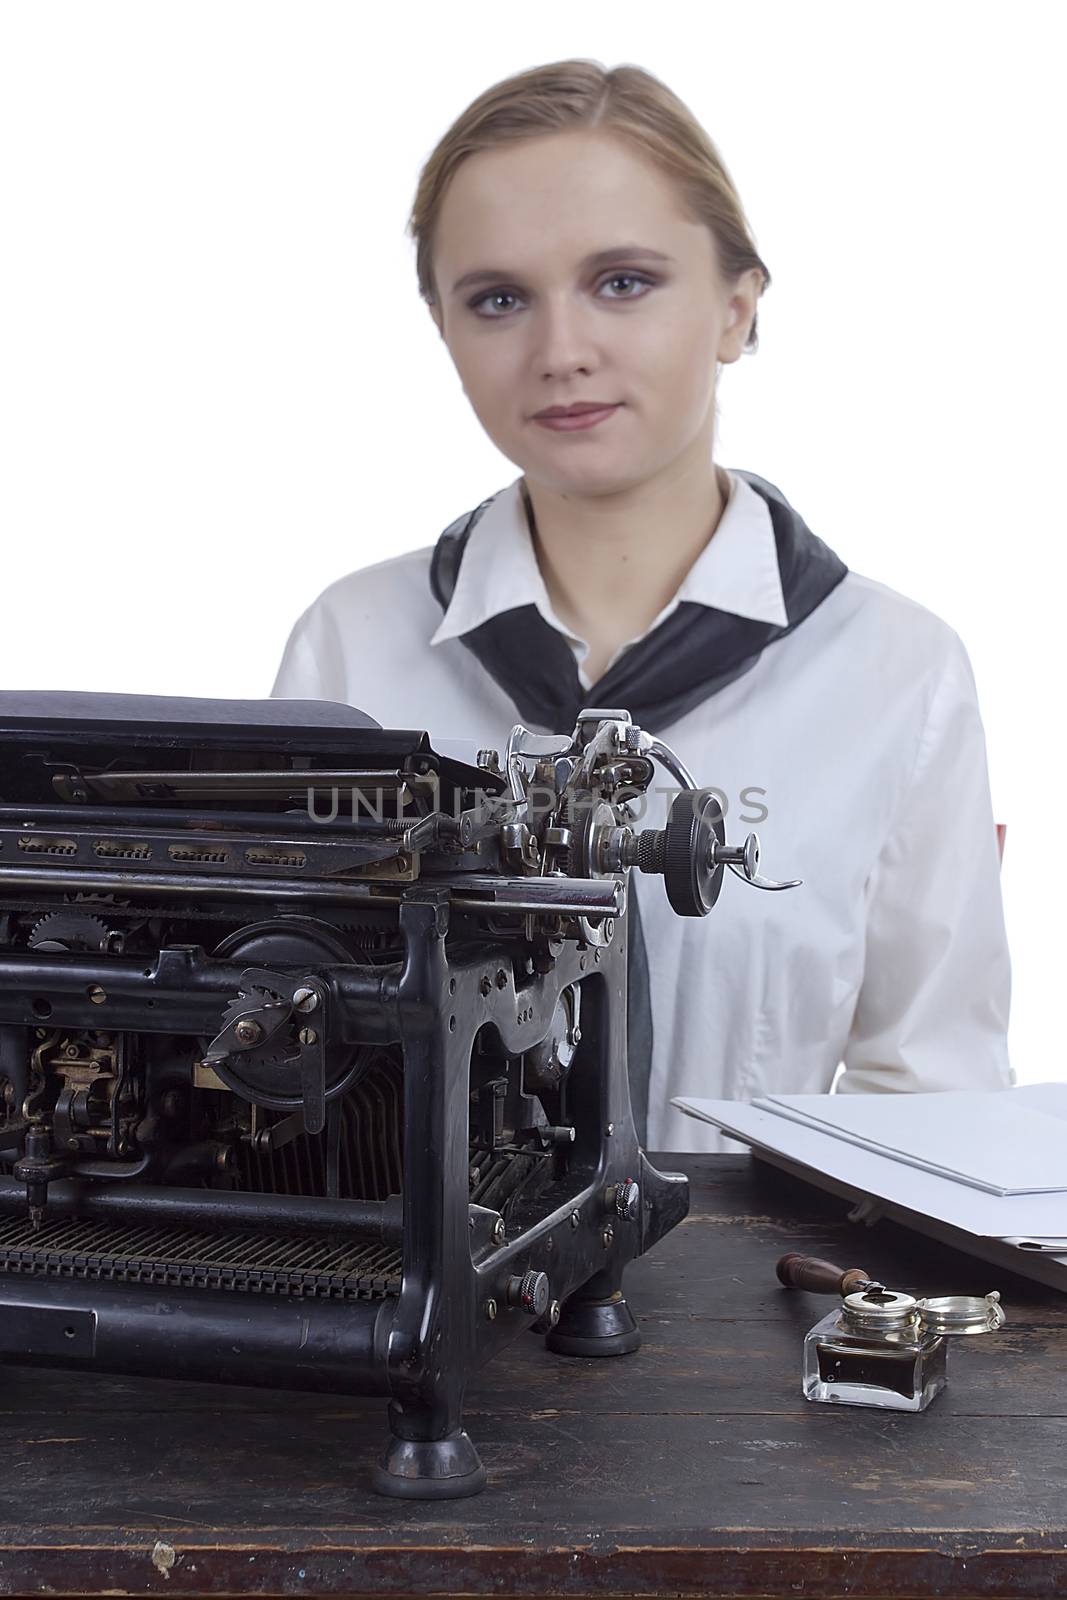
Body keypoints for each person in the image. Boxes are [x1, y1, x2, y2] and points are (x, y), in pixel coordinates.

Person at [270, 57, 1013, 1154]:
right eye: (498, 299)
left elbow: (936, 1103)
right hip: (412, 1293)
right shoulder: (351, 648)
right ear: (442, 326)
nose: (561, 352)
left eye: (621, 282)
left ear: (734, 305)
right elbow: (283, 1013)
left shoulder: (895, 673)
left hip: (751, 1308)